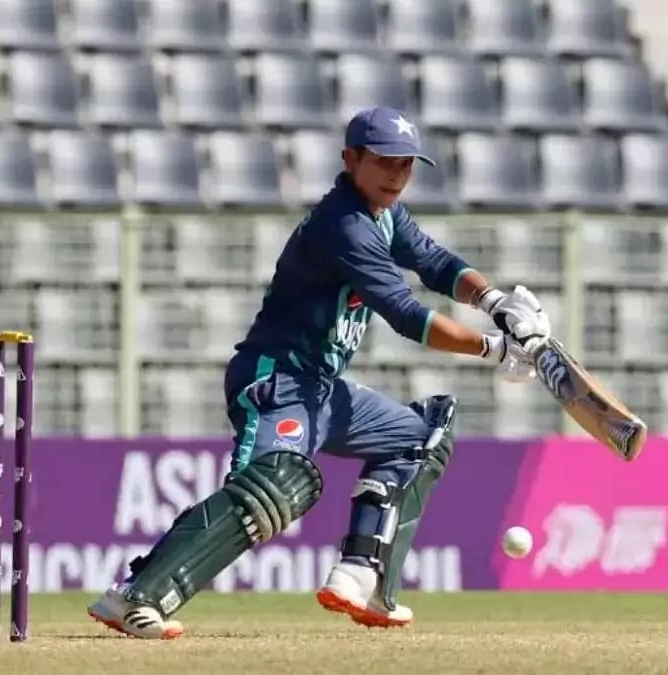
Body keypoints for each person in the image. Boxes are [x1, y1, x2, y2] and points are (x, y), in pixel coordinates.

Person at [87, 106, 552, 639]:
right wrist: (494, 348)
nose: (397, 174)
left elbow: (436, 262)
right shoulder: (345, 225)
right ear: (351, 159)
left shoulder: (385, 215)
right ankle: (135, 596)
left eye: (406, 164)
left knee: (417, 437)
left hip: (323, 390)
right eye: (385, 161)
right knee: (274, 486)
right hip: (276, 381)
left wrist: (495, 301)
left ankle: (361, 576)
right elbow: (405, 314)